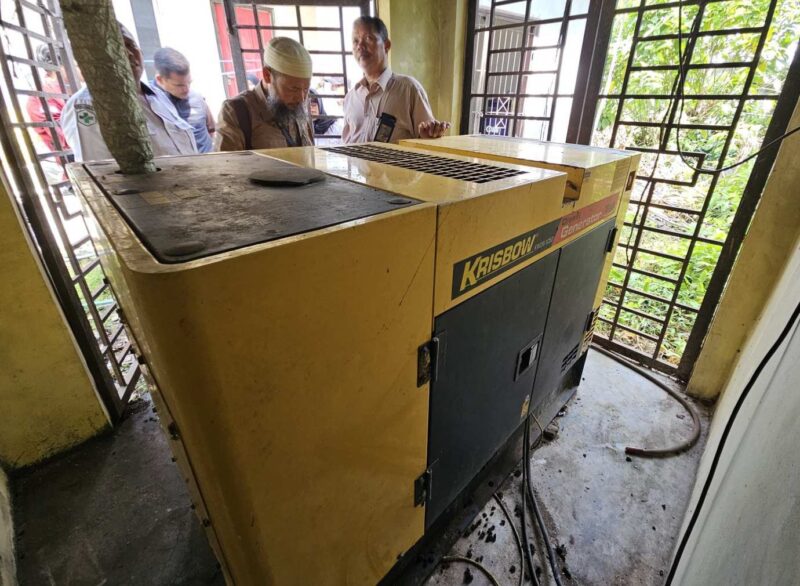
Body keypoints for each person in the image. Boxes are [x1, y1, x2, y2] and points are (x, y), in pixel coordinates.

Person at [61, 24, 197, 162]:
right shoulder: (87, 105)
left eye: (130, 45)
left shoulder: (158, 96)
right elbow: (99, 173)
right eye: (115, 46)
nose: (129, 53)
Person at [342, 16, 449, 144]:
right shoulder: (351, 98)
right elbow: (346, 145)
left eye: (368, 38)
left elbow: (429, 141)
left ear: (386, 45)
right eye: (355, 41)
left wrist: (430, 135)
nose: (360, 46)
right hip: (355, 165)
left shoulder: (409, 90)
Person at [215, 37, 314, 151]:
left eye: (306, 89)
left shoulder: (297, 103)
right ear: (267, 76)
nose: (301, 98)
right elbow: (226, 167)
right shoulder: (236, 113)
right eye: (293, 89)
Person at [152, 47, 215, 153]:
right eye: (179, 85)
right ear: (160, 79)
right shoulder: (149, 104)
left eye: (189, 83)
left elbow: (211, 129)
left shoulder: (197, 98)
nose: (186, 90)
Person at [26, 44, 69, 153]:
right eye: (76, 64)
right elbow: (65, 138)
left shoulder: (70, 89)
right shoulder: (40, 98)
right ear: (60, 66)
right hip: (75, 158)